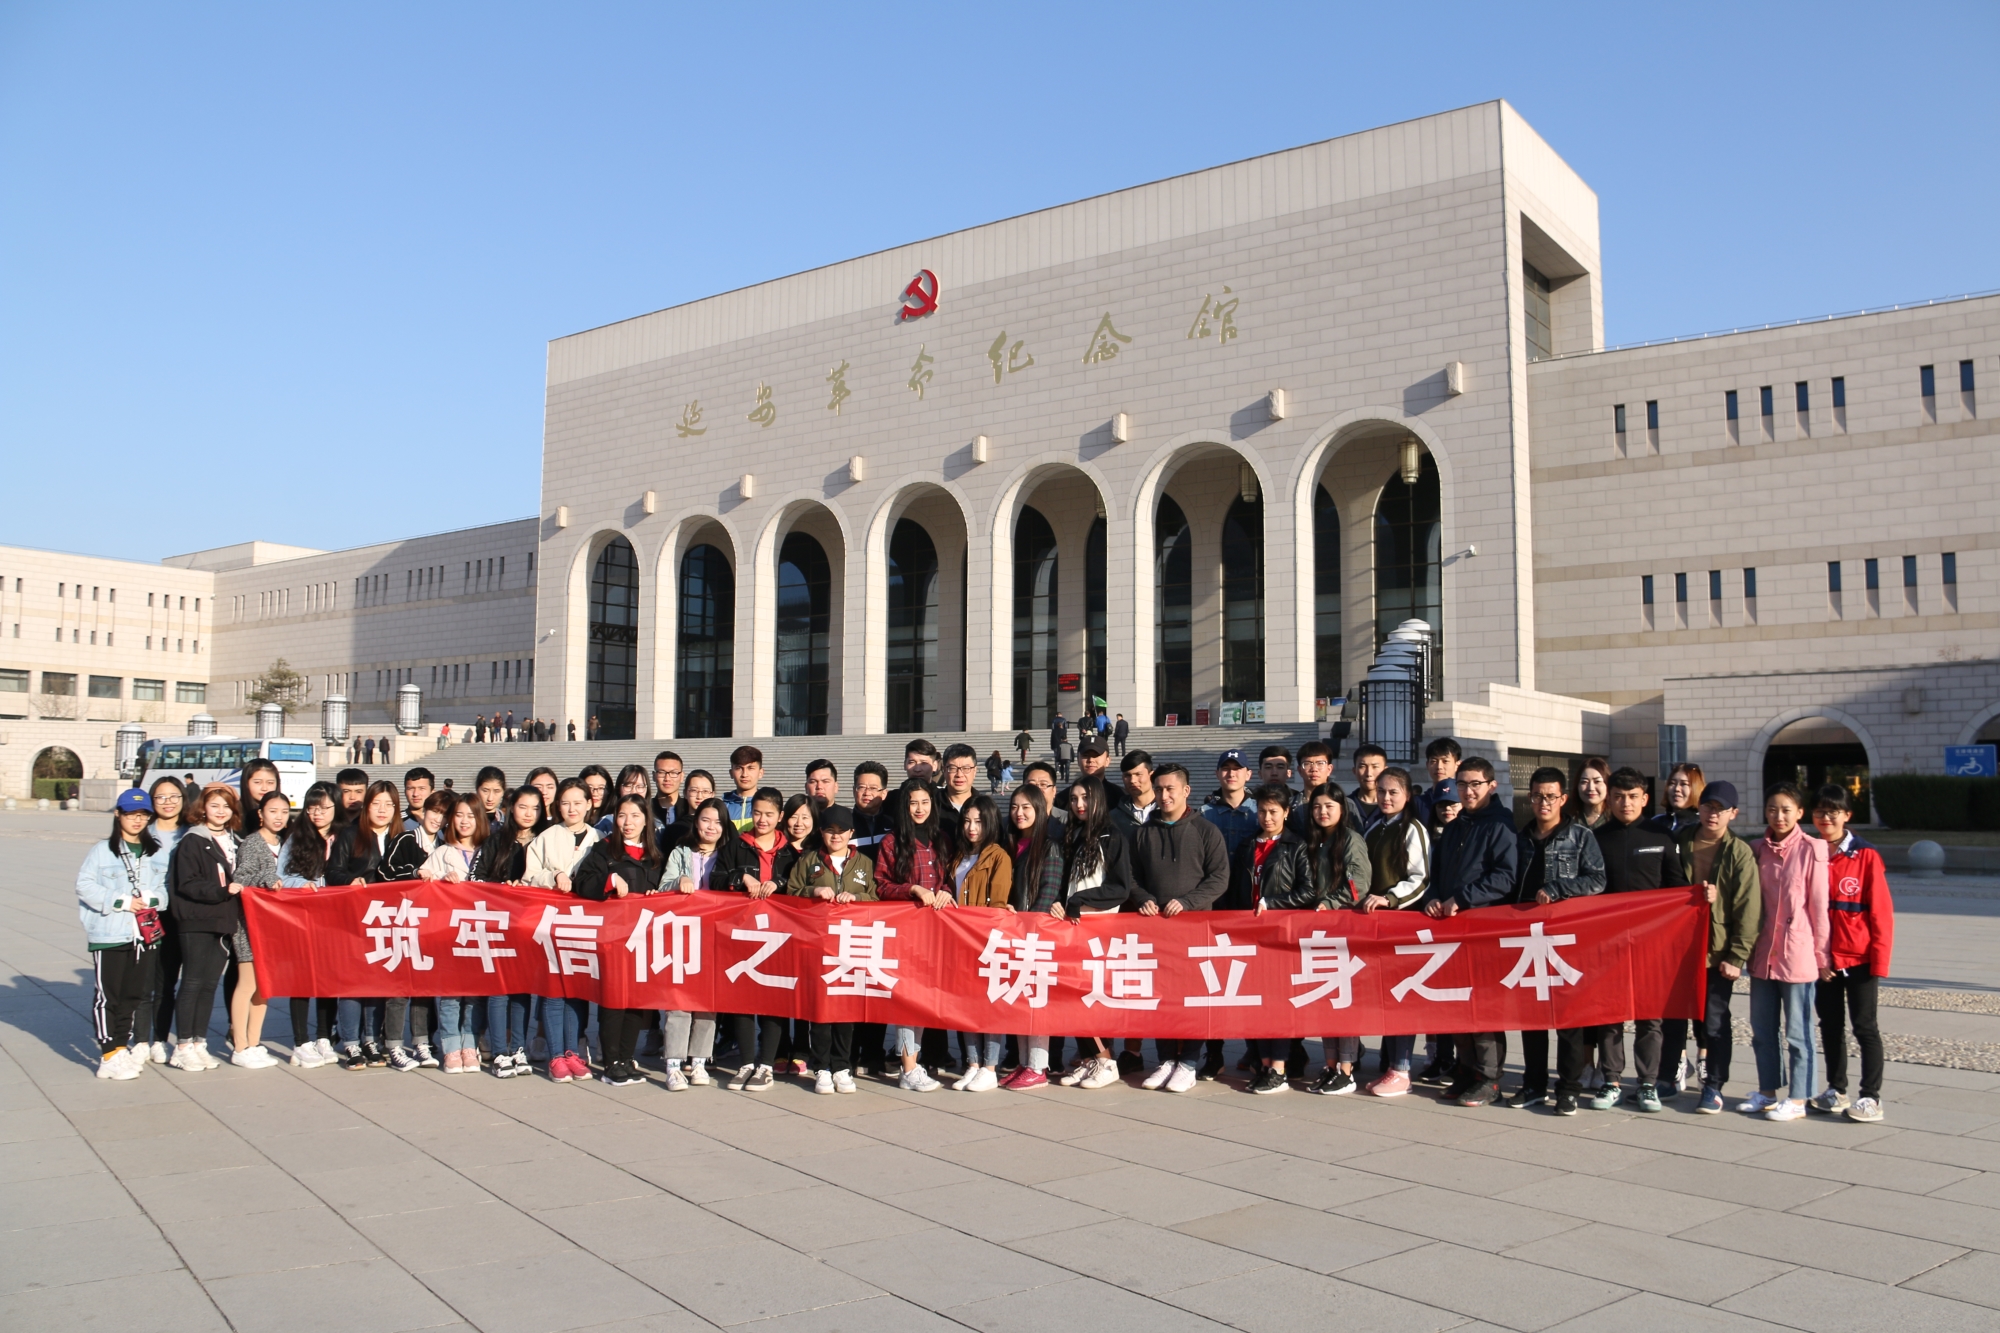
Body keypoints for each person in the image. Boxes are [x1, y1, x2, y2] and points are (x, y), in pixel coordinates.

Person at [1504, 767, 1606, 1116]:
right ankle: (1534, 1084)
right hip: (1527, 938)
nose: (1543, 803)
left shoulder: (1580, 836)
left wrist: (1559, 889)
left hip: (1565, 939)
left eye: (1550, 796)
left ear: (1563, 798)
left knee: (1568, 1018)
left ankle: (1568, 1088)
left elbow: (1597, 880)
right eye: (1537, 796)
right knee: (1531, 1016)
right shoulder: (1521, 838)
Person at [1417, 757, 1518, 1107]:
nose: (1468, 791)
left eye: (1476, 784)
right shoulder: (1455, 827)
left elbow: (1505, 877)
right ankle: (1466, 1070)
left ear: (1492, 785)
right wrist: (1432, 898)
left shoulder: (1501, 825)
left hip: (1484, 929)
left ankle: (1489, 1078)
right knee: (1458, 1004)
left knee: (1484, 1007)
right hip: (1452, 931)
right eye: (1463, 784)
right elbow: (1436, 874)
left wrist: (1462, 898)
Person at [1590, 767, 1692, 1112]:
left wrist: (1699, 898)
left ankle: (1648, 1083)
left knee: (1650, 1017)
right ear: (1609, 799)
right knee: (1610, 1015)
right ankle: (1611, 1080)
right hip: (1609, 943)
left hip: (1652, 944)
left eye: (1633, 797)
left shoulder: (1661, 836)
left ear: (1645, 799)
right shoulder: (1597, 838)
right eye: (1619, 797)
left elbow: (1678, 890)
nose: (1626, 803)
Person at [1129, 763, 1229, 1091]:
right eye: (1158, 789)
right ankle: (1166, 1060)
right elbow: (1131, 876)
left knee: (1194, 999)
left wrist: (1188, 901)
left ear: (1186, 791)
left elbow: (1219, 878)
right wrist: (1143, 897)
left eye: (1170, 788)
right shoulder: (1143, 832)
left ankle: (1188, 1062)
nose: (1164, 795)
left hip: (1195, 931)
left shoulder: (1206, 830)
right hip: (1157, 931)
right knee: (1161, 997)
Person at [1740, 784, 1830, 1123]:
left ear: (1799, 813)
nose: (1779, 816)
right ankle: (1767, 1092)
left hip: (1797, 953)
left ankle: (1798, 1097)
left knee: (1798, 1032)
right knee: (1762, 1029)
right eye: (1773, 809)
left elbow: (1819, 907)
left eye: (1786, 810)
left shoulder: (1812, 849)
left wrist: (1822, 956)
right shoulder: (1756, 849)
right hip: (1763, 952)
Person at [1283, 783, 1374, 1095]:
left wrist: (1329, 903)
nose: (1322, 812)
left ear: (1342, 809)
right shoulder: (1314, 840)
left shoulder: (1350, 840)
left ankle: (1347, 1070)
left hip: (1342, 928)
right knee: (1324, 1000)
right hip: (1318, 930)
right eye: (1317, 807)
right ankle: (1331, 1064)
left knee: (1342, 1002)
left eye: (1329, 806)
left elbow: (1357, 885)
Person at [1810, 784, 1893, 1123]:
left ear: (1847, 815)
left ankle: (1871, 1097)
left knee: (1865, 1027)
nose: (1826, 818)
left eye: (1833, 812)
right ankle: (1836, 1089)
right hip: (1824, 960)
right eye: (1820, 811)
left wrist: (1879, 961)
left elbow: (1881, 913)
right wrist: (1816, 957)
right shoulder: (1811, 850)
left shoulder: (1866, 855)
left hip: (1859, 958)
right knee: (1830, 1025)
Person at [1677, 780, 1760, 1115]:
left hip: (1716, 951)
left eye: (1721, 809)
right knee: (1673, 1017)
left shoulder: (1738, 852)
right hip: (1678, 947)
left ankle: (1713, 1085)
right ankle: (1667, 1077)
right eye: (1708, 806)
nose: (1713, 814)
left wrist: (1737, 956)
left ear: (1733, 813)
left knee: (1714, 1021)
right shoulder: (1680, 840)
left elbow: (1748, 908)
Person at [571, 795, 666, 1085]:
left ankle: (626, 1057)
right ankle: (611, 1061)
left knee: (637, 1000)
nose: (628, 822)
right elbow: (582, 882)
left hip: (642, 939)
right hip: (612, 939)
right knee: (613, 1000)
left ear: (646, 820)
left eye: (635, 816)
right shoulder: (604, 849)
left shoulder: (654, 855)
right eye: (622, 816)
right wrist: (609, 881)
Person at [78, 789, 170, 1080]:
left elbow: (165, 891)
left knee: (133, 995)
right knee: (109, 996)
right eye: (131, 814)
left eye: (143, 815)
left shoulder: (156, 852)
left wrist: (153, 899)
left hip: (144, 935)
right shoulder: (102, 850)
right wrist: (121, 901)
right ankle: (108, 1053)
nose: (137, 820)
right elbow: (85, 886)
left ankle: (120, 1047)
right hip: (110, 932)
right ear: (118, 815)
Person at [1220, 784, 1306, 1093]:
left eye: (1273, 812)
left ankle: (1279, 1068)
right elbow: (1234, 888)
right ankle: (1263, 1062)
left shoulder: (1296, 845)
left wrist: (1273, 903)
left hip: (1279, 935)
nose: (1267, 818)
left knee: (1277, 1002)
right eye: (1262, 811)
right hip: (1248, 934)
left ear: (1286, 812)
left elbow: (1307, 891)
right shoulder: (1247, 845)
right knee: (1253, 1001)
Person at [785, 804, 877, 1094]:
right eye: (829, 831)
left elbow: (876, 897)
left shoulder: (863, 863)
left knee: (846, 1010)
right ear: (821, 832)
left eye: (841, 831)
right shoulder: (809, 860)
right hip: (817, 946)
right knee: (821, 1011)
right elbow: (790, 893)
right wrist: (812, 891)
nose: (835, 837)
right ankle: (822, 1067)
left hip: (851, 946)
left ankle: (842, 1066)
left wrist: (858, 898)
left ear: (851, 833)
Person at [1051, 778, 1133, 1090]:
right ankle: (1089, 1060)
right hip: (1073, 926)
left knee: (1088, 996)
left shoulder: (1112, 835)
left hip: (1100, 930)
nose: (1079, 804)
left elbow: (1120, 887)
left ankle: (1106, 1060)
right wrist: (1062, 903)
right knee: (1071, 995)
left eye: (1085, 797)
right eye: (1073, 799)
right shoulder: (1074, 834)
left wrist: (1079, 901)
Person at [874, 779, 954, 1091]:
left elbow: (951, 878)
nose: (919, 809)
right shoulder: (892, 842)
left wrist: (946, 890)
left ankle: (917, 1061)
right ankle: (908, 1068)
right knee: (909, 998)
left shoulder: (942, 839)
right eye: (912, 803)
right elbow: (881, 885)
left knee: (928, 999)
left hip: (939, 931)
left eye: (925, 802)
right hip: (907, 930)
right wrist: (913, 889)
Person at [523, 778, 601, 1082]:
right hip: (551, 921)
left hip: (582, 923)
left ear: (589, 804)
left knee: (578, 990)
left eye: (578, 802)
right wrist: (553, 875)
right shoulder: (546, 837)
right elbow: (530, 875)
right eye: (566, 803)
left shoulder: (599, 837)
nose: (572, 809)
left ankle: (572, 1052)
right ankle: (555, 1054)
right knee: (553, 989)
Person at [1361, 768, 1432, 1096]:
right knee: (1385, 997)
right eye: (1381, 791)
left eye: (1393, 792)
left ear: (1407, 795)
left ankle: (1402, 1069)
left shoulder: (1412, 828)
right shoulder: (1374, 825)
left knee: (1401, 996)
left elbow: (1420, 878)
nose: (1386, 798)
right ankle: (1390, 1064)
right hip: (1374, 924)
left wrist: (1389, 898)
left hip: (1400, 924)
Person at [657, 796, 734, 1089]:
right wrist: (678, 882)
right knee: (678, 1001)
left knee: (707, 1002)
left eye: (717, 822)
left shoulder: (729, 854)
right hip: (683, 936)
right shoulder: (680, 852)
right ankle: (674, 1063)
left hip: (715, 938)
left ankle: (700, 1060)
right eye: (705, 820)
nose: (711, 827)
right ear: (696, 821)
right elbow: (662, 887)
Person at [167, 785, 243, 1072]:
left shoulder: (234, 840)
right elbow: (187, 883)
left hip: (223, 920)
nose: (221, 811)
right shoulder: (194, 840)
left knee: (209, 984)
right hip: (197, 919)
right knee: (192, 982)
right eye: (215, 805)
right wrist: (221, 890)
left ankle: (199, 1043)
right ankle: (182, 1046)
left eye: (226, 806)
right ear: (203, 808)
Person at [417, 793, 491, 1073]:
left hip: (479, 931)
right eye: (459, 815)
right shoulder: (442, 852)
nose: (464, 821)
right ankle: (450, 1046)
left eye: (471, 815)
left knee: (475, 994)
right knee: (450, 994)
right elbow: (422, 883)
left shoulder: (488, 850)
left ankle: (469, 1044)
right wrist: (439, 880)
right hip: (449, 932)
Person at [476, 786, 547, 1078]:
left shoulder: (545, 839)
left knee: (522, 990)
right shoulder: (496, 840)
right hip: (499, 923)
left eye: (535, 808)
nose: (528, 814)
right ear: (510, 808)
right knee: (499, 989)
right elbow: (477, 878)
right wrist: (502, 889)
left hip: (530, 925)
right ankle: (499, 1051)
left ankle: (518, 1048)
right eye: (522, 807)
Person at [999, 785, 1065, 1089]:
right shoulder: (1009, 844)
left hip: (1034, 934)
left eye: (1026, 807)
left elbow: (1048, 891)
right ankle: (1024, 1063)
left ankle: (1038, 1067)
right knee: (1018, 1000)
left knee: (1036, 1001)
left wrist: (1029, 928)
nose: (1019, 813)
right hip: (1011, 933)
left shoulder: (1049, 846)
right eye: (1014, 806)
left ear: (1039, 810)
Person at [949, 794, 1013, 1092]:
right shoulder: (959, 855)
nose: (972, 828)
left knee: (989, 1005)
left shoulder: (998, 856)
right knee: (966, 1005)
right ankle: (973, 1064)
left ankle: (990, 1067)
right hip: (960, 940)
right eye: (967, 821)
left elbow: (998, 903)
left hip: (986, 941)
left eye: (978, 821)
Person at [224, 790, 291, 1069]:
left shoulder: (284, 843)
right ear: (261, 814)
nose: (279, 817)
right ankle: (239, 1045)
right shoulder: (252, 843)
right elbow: (241, 878)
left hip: (274, 927)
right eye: (273, 811)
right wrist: (267, 877)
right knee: (248, 983)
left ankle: (254, 1042)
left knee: (264, 987)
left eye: (284, 812)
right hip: (250, 925)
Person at [276, 782, 340, 1067]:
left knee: (328, 980)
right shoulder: (296, 838)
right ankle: (301, 1041)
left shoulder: (344, 836)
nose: (318, 813)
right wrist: (303, 884)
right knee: (301, 978)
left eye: (324, 807)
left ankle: (324, 1036)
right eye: (312, 807)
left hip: (334, 920)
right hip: (303, 917)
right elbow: (282, 876)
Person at [140, 775, 193, 1065]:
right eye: (161, 797)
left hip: (181, 913)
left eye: (174, 796)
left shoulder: (192, 833)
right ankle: (145, 1039)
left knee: (170, 979)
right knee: (149, 979)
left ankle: (162, 1038)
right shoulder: (142, 833)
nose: (168, 802)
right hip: (151, 914)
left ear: (183, 799)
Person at [1202, 749, 1259, 857]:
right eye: (1225, 769)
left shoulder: (1260, 811)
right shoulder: (1205, 813)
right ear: (1217, 774)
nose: (1231, 774)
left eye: (1237, 768)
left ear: (1248, 774)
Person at [1650, 762, 1706, 839]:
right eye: (1672, 783)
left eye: (1684, 784)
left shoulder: (1702, 825)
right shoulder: (1656, 822)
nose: (1676, 789)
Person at [1416, 737, 1463, 824]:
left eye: (1445, 761)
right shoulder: (1418, 803)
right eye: (1434, 761)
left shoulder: (1465, 799)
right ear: (1427, 764)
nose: (1439, 767)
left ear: (1457, 765)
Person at [1349, 744, 1388, 834]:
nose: (1369, 773)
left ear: (1385, 770)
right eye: (1362, 766)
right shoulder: (1344, 805)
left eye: (1375, 767)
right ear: (1354, 771)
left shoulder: (1393, 806)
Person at [724, 746, 765, 829]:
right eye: (739, 768)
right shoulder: (722, 807)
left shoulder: (769, 805)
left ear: (760, 773)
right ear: (731, 773)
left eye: (750, 768)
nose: (744, 774)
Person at [1572, 758, 1611, 831]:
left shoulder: (1616, 819)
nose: (1591, 788)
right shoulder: (1566, 820)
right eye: (1584, 782)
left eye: (1597, 781)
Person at [474, 765, 509, 834]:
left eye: (496, 791)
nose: (490, 798)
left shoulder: (508, 824)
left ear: (503, 792)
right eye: (485, 791)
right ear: (477, 789)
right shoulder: (466, 821)